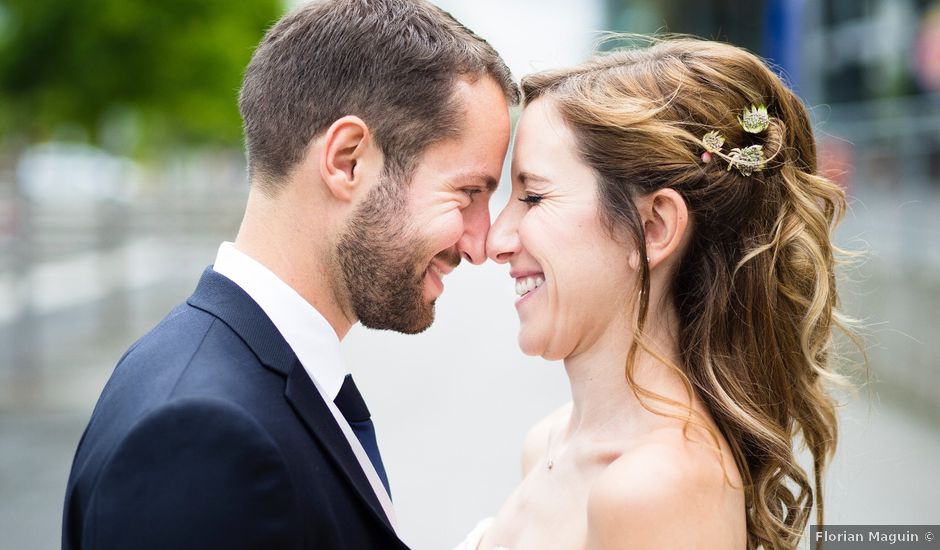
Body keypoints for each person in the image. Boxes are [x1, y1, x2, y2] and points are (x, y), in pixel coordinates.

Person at [62, 1, 516, 548]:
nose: (482, 242)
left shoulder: (209, 372)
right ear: (348, 160)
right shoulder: (200, 441)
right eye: (469, 192)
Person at [463, 37, 854, 550]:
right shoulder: (549, 444)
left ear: (653, 227)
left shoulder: (658, 490)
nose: (497, 240)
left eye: (533, 197)